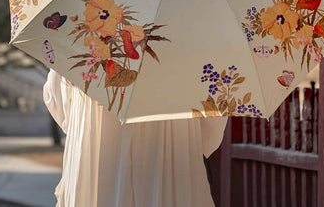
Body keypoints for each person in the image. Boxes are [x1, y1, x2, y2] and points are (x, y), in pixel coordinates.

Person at [43, 69, 228, 207]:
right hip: (171, 157)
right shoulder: (189, 30)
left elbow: (56, 97)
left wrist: (85, 128)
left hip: (97, 157)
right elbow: (213, 122)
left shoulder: (80, 23)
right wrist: (191, 139)